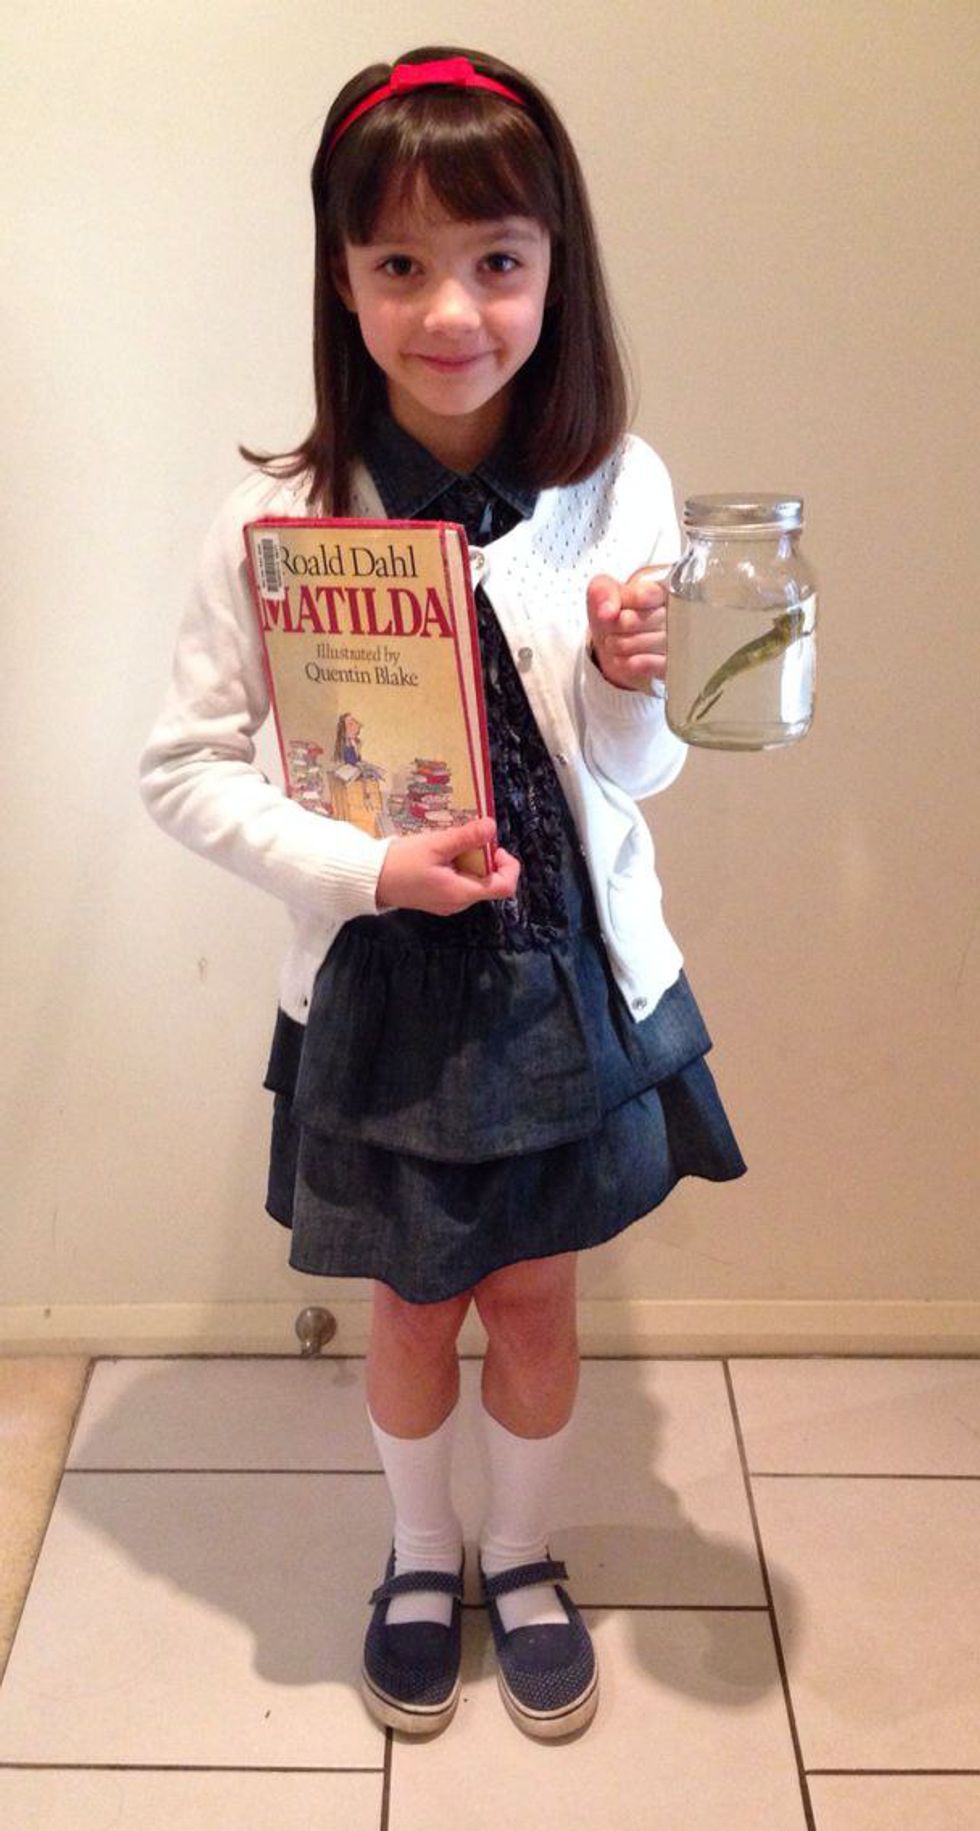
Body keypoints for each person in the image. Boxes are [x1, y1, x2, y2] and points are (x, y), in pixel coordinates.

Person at [140, 45, 746, 1743]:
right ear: (342, 280)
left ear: (557, 268)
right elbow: (181, 768)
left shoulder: (617, 485)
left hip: (561, 975)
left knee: (536, 1293)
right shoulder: (274, 519)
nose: (452, 310)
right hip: (383, 988)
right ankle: (420, 1559)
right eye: (399, 262)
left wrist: (627, 677)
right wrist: (365, 870)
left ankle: (526, 1556)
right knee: (412, 1299)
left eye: (497, 260)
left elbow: (639, 774)